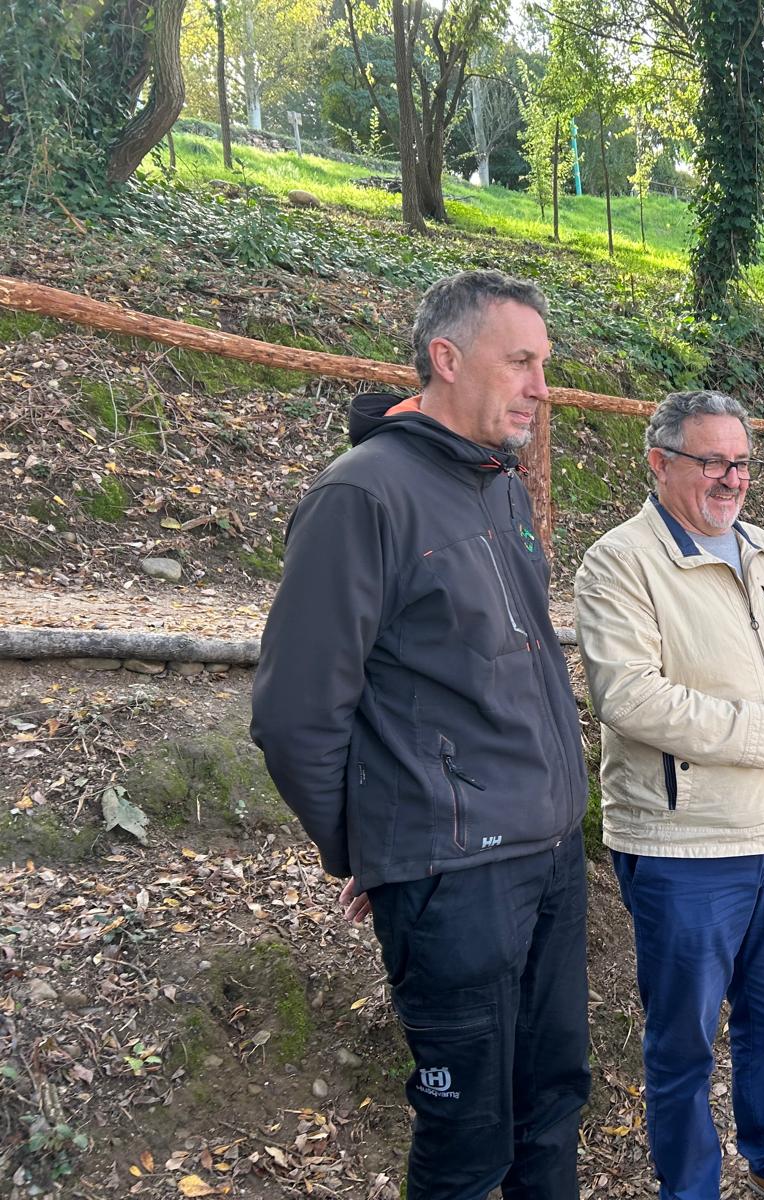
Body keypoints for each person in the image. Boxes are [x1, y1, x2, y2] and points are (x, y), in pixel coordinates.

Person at [251, 270, 591, 1200]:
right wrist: (378, 846)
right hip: (459, 878)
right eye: (519, 361)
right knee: (466, 1143)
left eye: (544, 364)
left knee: (552, 1107)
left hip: (551, 855)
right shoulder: (363, 497)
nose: (540, 386)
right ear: (447, 359)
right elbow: (294, 715)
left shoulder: (500, 486)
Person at [573, 390, 764, 1200]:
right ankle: (689, 1186)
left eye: (741, 462)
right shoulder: (619, 562)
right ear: (660, 463)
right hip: (683, 844)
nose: (731, 479)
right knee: (683, 1040)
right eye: (711, 461)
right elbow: (631, 698)